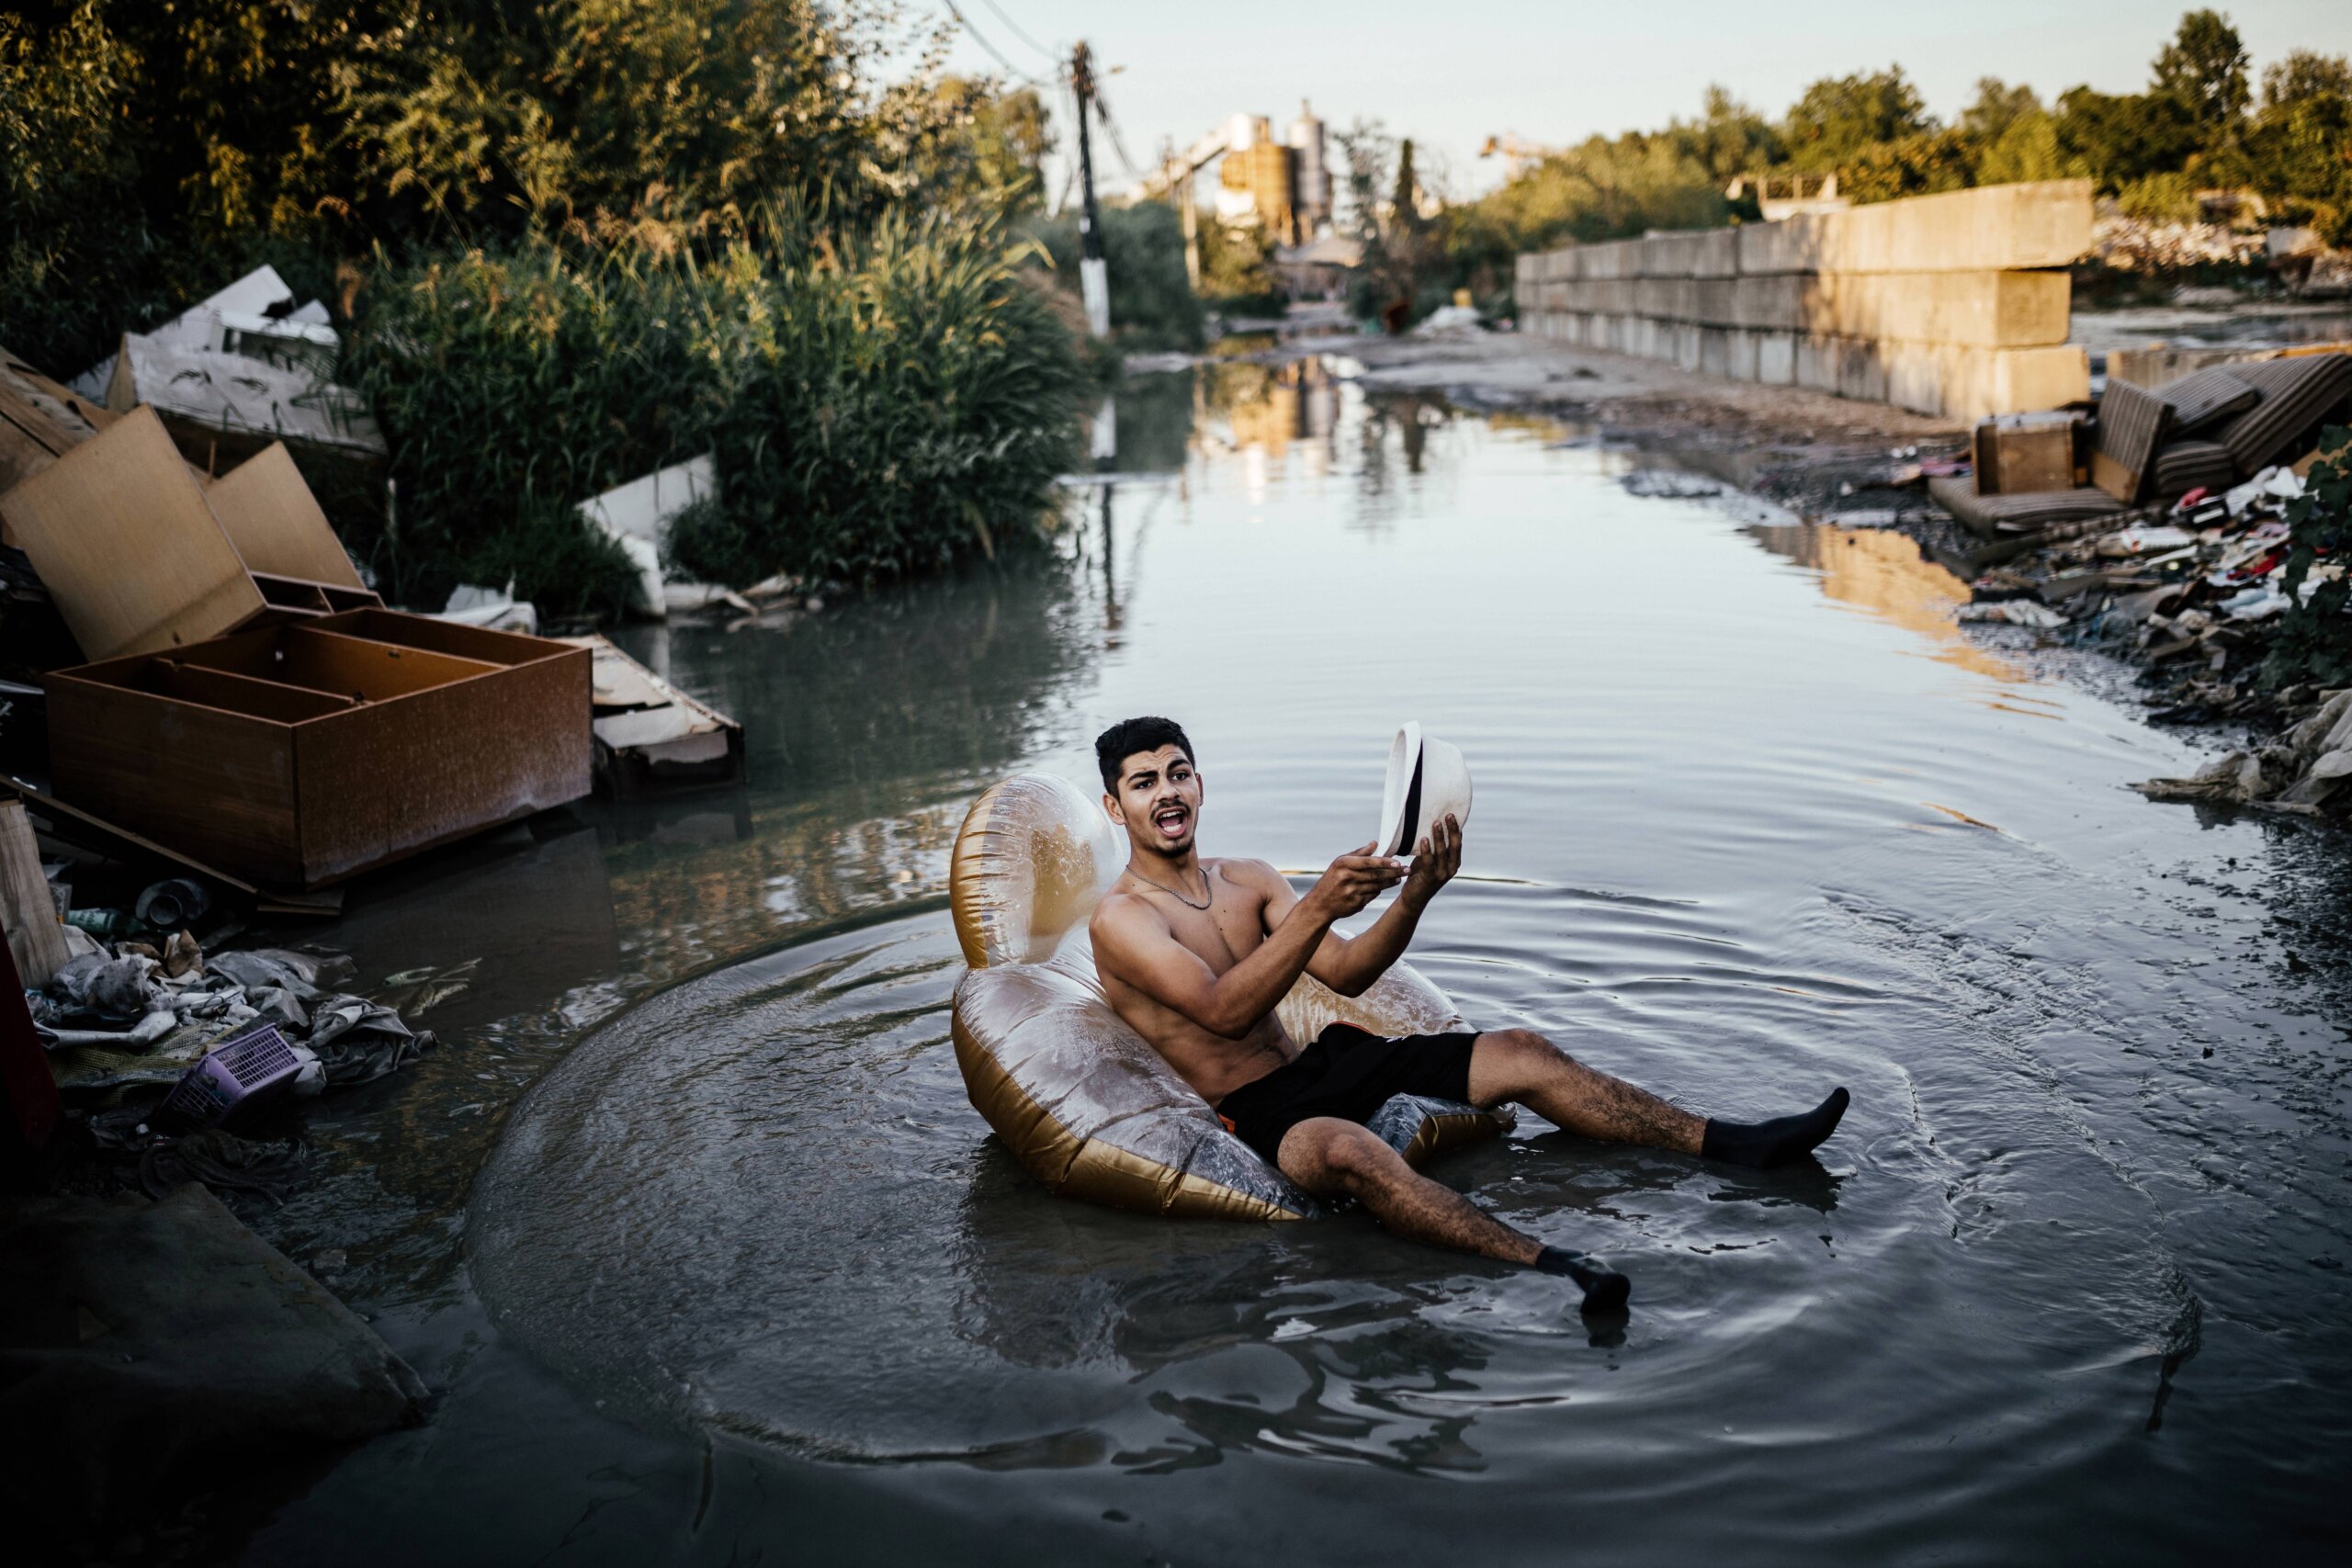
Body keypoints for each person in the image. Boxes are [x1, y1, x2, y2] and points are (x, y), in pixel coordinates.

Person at [1086, 716, 1849, 1313]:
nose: (1168, 793)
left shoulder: (1246, 878)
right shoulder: (1121, 920)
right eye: (1145, 782)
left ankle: (1733, 1142)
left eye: (1178, 773)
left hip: (1327, 1062)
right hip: (1254, 1110)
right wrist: (1319, 902)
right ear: (1115, 807)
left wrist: (1418, 892)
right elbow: (1222, 1013)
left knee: (1523, 1049)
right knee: (1352, 1153)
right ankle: (1555, 1262)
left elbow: (1349, 972)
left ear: (1202, 784)